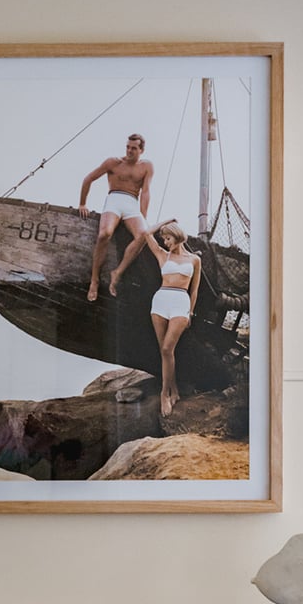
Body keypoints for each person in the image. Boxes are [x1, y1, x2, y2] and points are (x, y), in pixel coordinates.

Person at [136, 219, 201, 417]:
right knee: (164, 350)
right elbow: (146, 233)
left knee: (167, 349)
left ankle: (165, 393)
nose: (165, 242)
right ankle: (173, 391)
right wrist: (166, 221)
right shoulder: (162, 255)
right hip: (160, 302)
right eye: (164, 239)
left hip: (181, 302)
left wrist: (190, 312)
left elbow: (194, 290)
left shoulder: (194, 260)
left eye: (168, 238)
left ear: (177, 235)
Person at [78, 134, 153, 301]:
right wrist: (82, 203)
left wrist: (143, 216)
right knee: (104, 234)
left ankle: (117, 272)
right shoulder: (113, 162)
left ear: (141, 150)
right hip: (114, 199)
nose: (129, 151)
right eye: (128, 147)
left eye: (134, 148)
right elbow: (88, 179)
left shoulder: (146, 166)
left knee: (143, 235)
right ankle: (94, 280)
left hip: (132, 203)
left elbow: (146, 192)